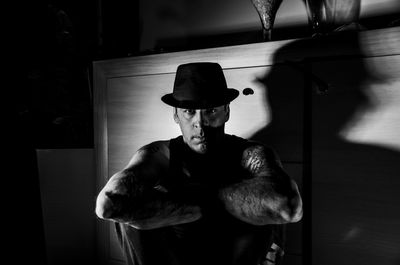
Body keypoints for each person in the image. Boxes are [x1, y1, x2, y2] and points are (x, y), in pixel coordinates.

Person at [95, 62, 303, 265]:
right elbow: (108, 204)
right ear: (176, 114)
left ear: (226, 111)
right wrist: (219, 203)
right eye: (189, 111)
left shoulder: (251, 153)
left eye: (211, 111)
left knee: (270, 203)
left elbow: (289, 207)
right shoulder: (160, 154)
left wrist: (198, 199)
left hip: (233, 256)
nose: (200, 124)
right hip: (175, 257)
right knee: (128, 217)